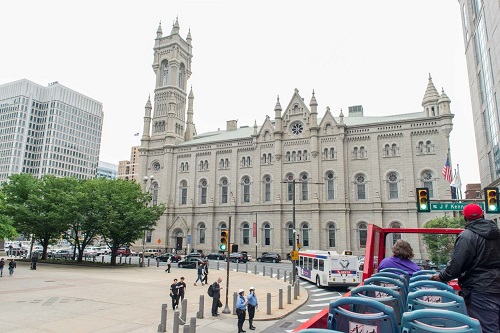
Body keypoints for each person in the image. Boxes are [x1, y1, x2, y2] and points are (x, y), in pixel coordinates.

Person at [430, 203, 500, 333]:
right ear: (483, 216)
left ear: (465, 219)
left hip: (481, 289)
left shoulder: (467, 236)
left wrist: (441, 276)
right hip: (495, 285)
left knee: (487, 329)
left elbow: (456, 266)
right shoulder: (497, 233)